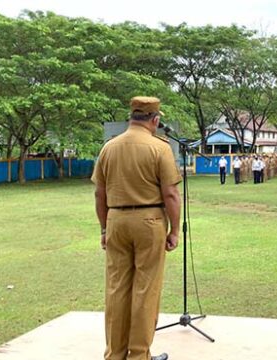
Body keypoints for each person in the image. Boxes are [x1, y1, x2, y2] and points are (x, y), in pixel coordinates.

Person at [92, 96, 179, 360]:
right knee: (146, 289)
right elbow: (171, 195)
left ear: (131, 117)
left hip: (116, 220)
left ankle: (114, 354)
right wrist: (174, 230)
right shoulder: (160, 148)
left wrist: (104, 229)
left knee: (117, 289)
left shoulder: (109, 147)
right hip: (149, 221)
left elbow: (99, 193)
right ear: (155, 120)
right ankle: (139, 355)